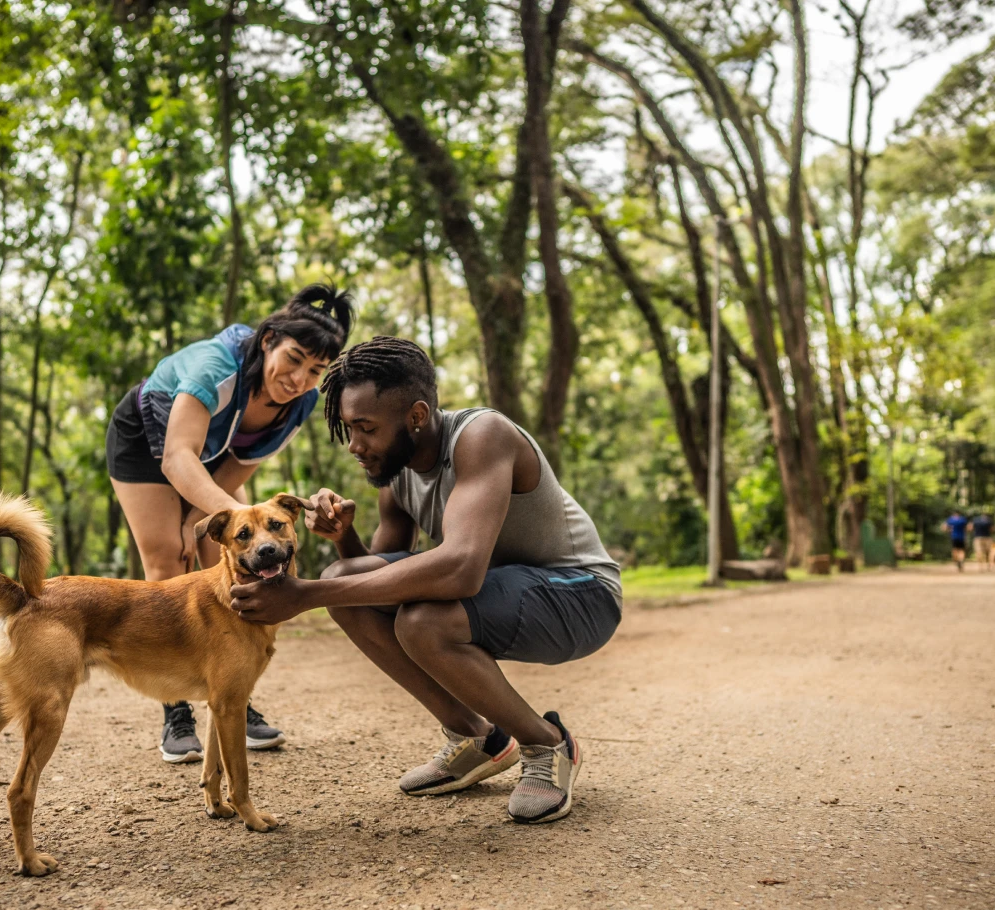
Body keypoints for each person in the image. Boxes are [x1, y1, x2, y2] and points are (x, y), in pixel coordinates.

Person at [229, 337, 622, 824]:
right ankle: (478, 737)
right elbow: (375, 581)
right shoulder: (397, 475)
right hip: (507, 591)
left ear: (416, 416)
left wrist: (306, 593)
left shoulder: (483, 436)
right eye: (348, 429)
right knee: (347, 581)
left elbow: (460, 567)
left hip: (582, 595)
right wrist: (342, 540)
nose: (354, 445)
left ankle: (547, 744)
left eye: (366, 429)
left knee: (422, 622)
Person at [107, 284, 352, 762]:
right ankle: (175, 715)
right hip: (147, 442)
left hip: (213, 459)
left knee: (224, 563)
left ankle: (231, 693)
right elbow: (179, 457)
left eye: (315, 370)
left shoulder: (300, 403)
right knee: (167, 560)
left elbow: (235, 471)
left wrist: (205, 521)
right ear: (268, 341)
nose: (300, 378)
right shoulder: (216, 367)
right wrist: (213, 519)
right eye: (294, 358)